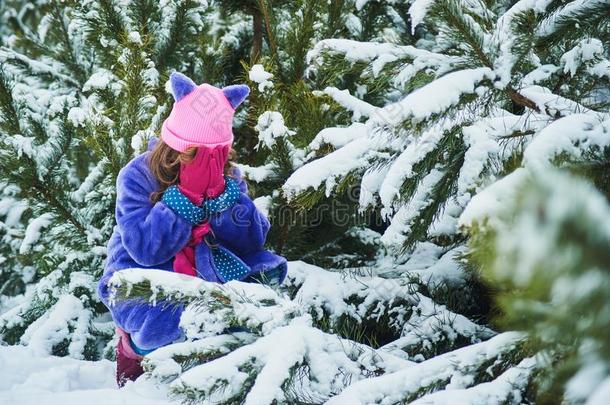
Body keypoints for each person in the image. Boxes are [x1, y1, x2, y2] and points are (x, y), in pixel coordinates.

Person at [97, 72, 287, 387]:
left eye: (217, 155)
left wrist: (220, 196)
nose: (206, 161)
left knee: (256, 294)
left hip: (206, 267)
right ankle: (135, 352)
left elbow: (253, 239)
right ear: (174, 146)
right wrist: (184, 198)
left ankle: (224, 363)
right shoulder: (138, 175)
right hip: (145, 273)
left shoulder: (227, 176)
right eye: (195, 154)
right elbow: (145, 249)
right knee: (162, 319)